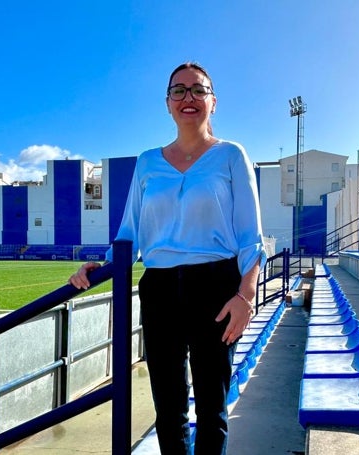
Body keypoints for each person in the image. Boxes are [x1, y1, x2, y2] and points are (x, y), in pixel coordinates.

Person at [69, 61, 266, 455]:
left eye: (198, 90)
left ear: (213, 101)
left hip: (216, 287)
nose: (188, 98)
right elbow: (131, 233)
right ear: (167, 103)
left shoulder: (231, 155)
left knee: (212, 409)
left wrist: (245, 296)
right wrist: (102, 265)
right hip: (159, 290)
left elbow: (250, 237)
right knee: (169, 409)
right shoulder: (147, 162)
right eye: (178, 90)